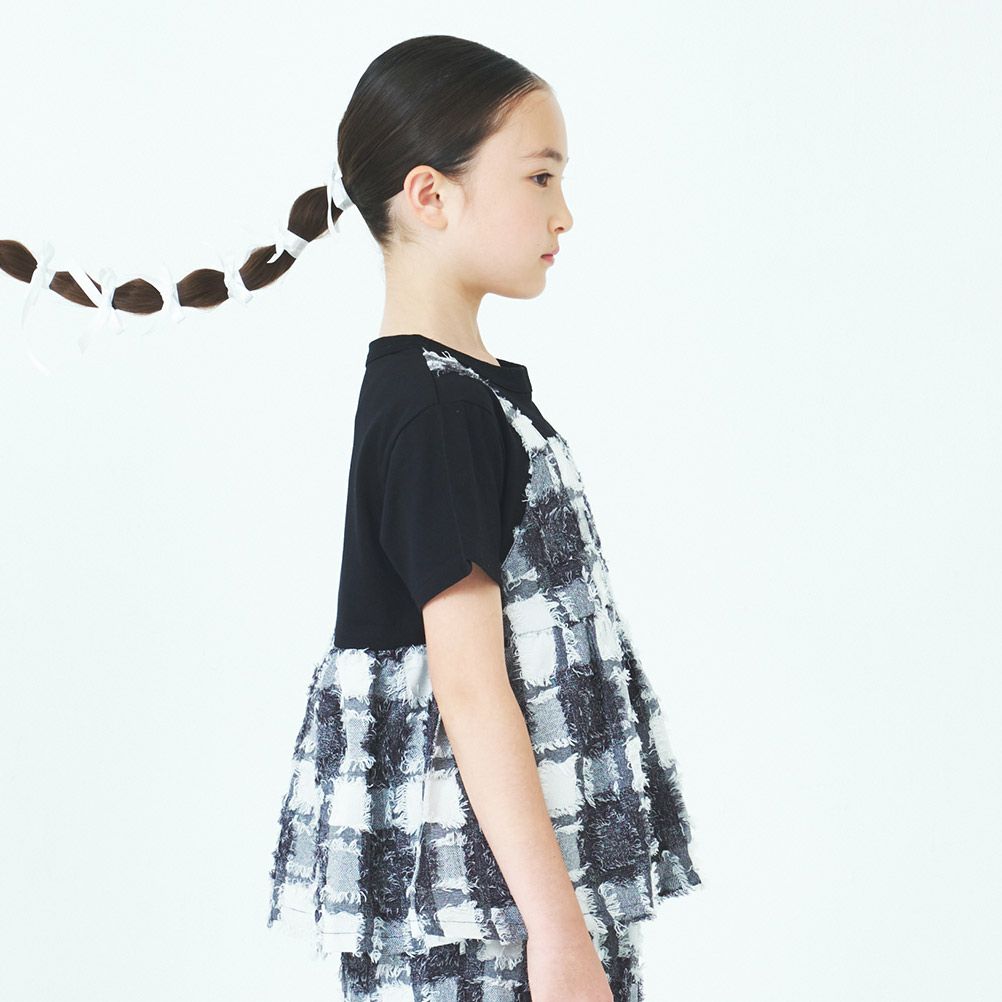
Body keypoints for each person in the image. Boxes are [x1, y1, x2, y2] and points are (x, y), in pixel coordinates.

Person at [0, 33, 701, 1002]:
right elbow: (468, 687)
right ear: (430, 195)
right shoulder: (439, 411)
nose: (564, 212)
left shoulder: (456, 396)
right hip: (483, 921)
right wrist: (558, 935)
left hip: (497, 896)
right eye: (540, 177)